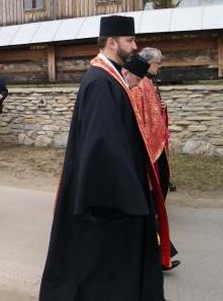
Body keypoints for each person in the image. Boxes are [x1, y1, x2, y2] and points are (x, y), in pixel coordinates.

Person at [39, 15, 166, 301]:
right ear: (111, 42)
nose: (135, 47)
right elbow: (102, 144)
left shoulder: (110, 76)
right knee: (100, 258)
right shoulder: (99, 81)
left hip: (116, 183)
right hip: (107, 191)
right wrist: (125, 194)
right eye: (130, 40)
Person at [135, 47, 180, 269]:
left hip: (153, 151)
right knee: (145, 207)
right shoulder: (140, 84)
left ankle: (160, 254)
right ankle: (159, 255)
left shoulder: (147, 83)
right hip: (146, 153)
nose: (159, 67)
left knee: (148, 206)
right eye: (157, 63)